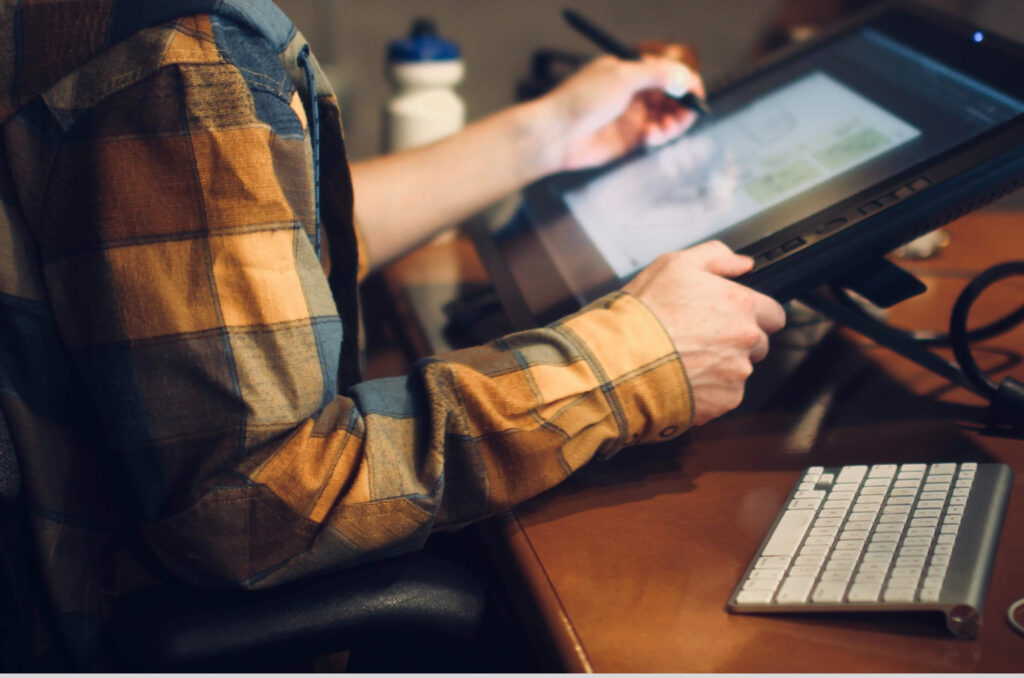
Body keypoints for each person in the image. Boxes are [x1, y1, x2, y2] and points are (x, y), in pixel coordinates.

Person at [0, 0, 785, 668]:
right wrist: (628, 363)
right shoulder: (176, 54)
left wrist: (548, 134)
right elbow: (254, 508)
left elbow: (253, 247)